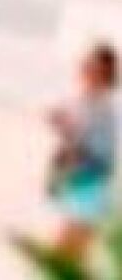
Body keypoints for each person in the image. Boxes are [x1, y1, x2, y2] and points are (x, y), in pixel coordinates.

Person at [45, 42, 118, 266]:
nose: (85, 70)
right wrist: (55, 176)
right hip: (76, 186)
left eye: (93, 67)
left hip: (90, 189)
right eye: (85, 65)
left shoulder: (105, 110)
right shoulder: (80, 102)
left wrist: (67, 130)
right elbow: (69, 147)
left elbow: (102, 160)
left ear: (105, 75)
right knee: (70, 259)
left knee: (65, 258)